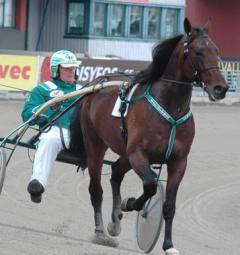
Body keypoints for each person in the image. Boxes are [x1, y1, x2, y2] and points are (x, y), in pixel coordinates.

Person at [21, 50, 81, 203]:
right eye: (67, 68)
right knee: (49, 138)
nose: (72, 71)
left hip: (81, 135)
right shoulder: (42, 89)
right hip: (54, 131)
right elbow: (27, 115)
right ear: (56, 69)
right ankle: (37, 183)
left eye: (73, 67)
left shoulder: (85, 91)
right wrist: (51, 107)